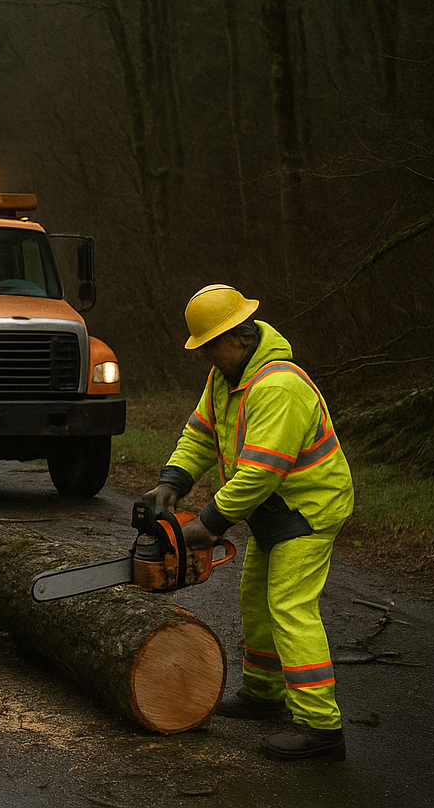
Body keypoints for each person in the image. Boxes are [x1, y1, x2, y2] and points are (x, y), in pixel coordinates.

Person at [145, 284, 354, 762]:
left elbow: (261, 471)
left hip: (308, 510)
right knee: (256, 602)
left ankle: (322, 728)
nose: (207, 358)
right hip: (273, 511)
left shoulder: (278, 386)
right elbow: (200, 435)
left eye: (210, 346)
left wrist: (209, 523)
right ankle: (263, 693)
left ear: (238, 336)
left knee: (289, 608)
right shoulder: (226, 379)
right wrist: (172, 480)